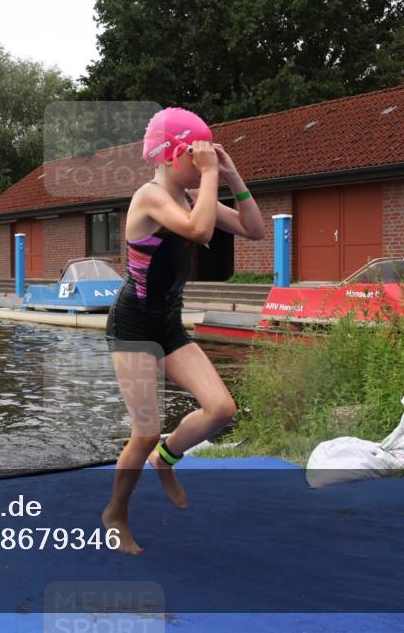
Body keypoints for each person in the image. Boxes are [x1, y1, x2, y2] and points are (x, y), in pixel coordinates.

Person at [103, 107, 265, 554]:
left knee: (221, 409)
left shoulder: (195, 196)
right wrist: (211, 176)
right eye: (196, 155)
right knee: (144, 431)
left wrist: (230, 176)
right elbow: (198, 230)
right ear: (173, 155)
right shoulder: (150, 197)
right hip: (134, 326)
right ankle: (115, 513)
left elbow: (254, 229)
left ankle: (166, 459)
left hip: (168, 324)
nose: (202, 162)